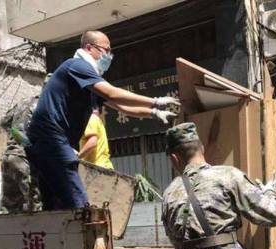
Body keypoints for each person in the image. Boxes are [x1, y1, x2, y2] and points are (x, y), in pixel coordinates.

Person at [26, 30, 178, 210]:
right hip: (51, 139)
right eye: (106, 50)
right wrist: (156, 101)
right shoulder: (77, 66)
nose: (109, 55)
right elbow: (112, 92)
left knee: (55, 202)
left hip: (49, 143)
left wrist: (153, 113)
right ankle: (84, 233)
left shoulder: (87, 80)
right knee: (79, 205)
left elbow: (120, 106)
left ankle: (55, 233)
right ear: (89, 48)